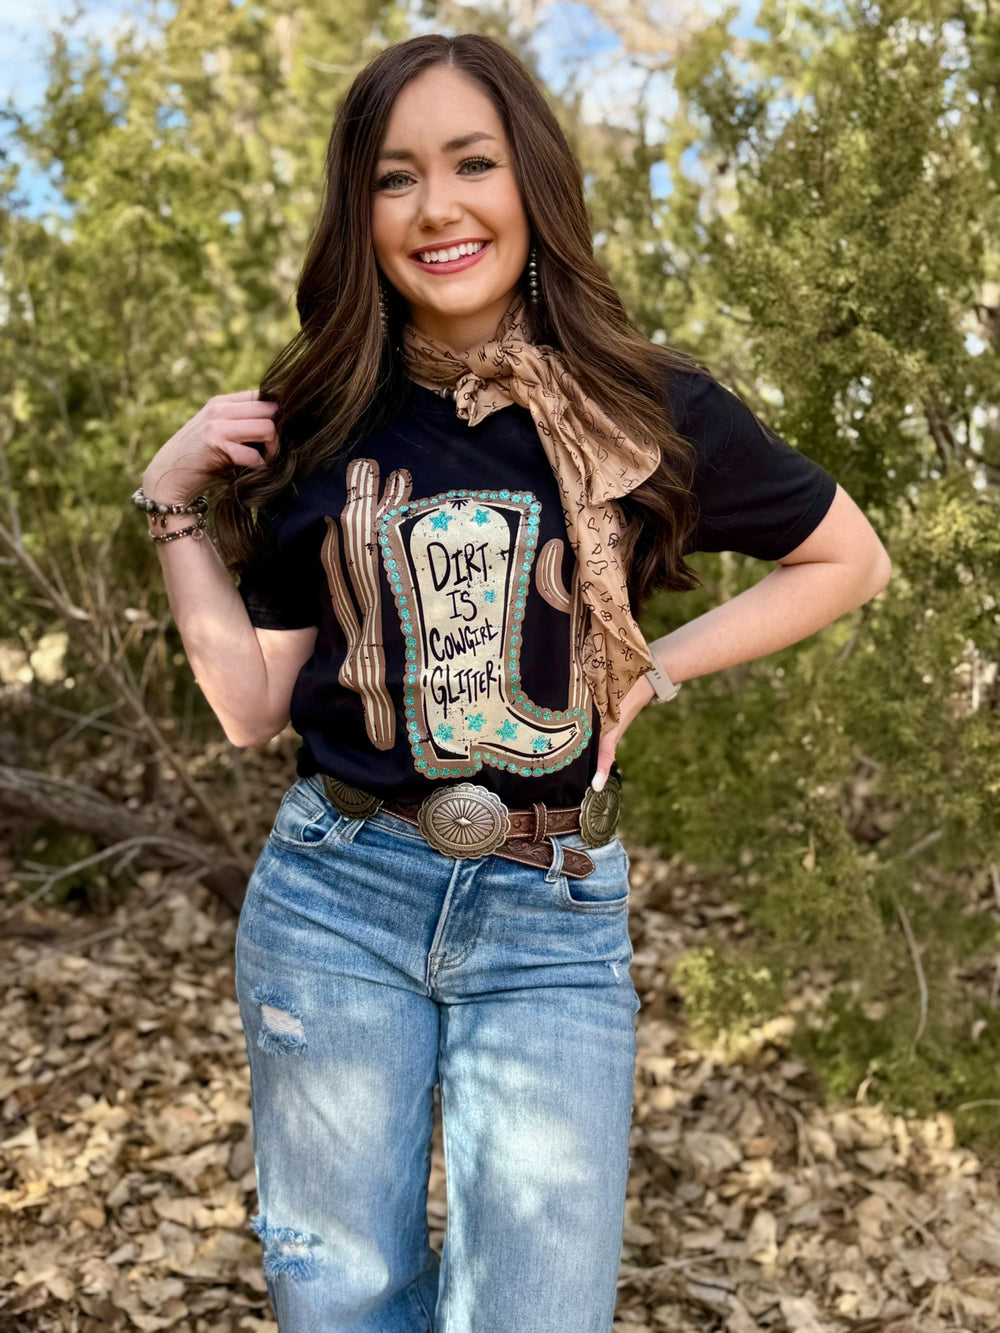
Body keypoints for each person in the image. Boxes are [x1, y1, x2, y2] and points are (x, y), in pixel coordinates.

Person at [138, 31, 891, 1333]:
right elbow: (249, 704)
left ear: (532, 181)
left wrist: (656, 666)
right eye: (396, 177)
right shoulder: (322, 416)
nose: (438, 206)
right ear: (360, 211)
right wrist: (171, 502)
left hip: (551, 911)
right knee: (341, 1300)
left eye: (472, 163)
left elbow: (846, 557)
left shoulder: (640, 405)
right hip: (336, 897)